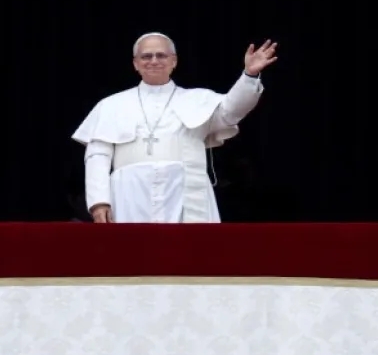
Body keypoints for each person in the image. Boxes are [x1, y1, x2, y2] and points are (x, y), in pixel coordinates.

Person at [72, 32, 276, 223]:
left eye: (161, 55)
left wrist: (249, 76)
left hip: (184, 193)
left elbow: (232, 111)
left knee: (189, 248)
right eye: (146, 56)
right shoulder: (111, 105)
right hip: (128, 194)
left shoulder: (197, 99)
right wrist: (99, 201)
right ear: (135, 63)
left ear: (174, 61)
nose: (154, 61)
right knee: (130, 247)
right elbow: (97, 155)